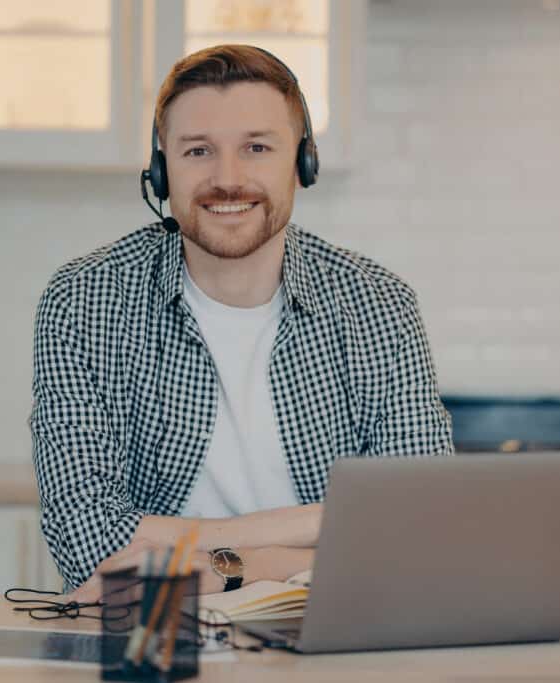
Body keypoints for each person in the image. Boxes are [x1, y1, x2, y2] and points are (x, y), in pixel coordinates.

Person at [30, 45, 453, 601]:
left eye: (256, 147)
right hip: (152, 633)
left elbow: (419, 529)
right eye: (198, 150)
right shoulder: (84, 300)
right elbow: (87, 543)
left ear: (302, 164)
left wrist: (223, 559)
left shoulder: (378, 304)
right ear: (161, 171)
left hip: (333, 622)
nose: (227, 180)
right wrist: (310, 534)